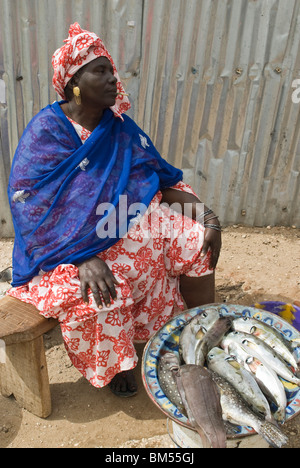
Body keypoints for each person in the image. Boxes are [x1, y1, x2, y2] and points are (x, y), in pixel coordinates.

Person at [7, 23, 221, 397]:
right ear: (73, 82)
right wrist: (80, 258)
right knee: (103, 289)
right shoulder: (47, 133)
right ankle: (116, 364)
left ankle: (196, 330)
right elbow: (30, 209)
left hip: (127, 225)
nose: (112, 79)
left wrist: (207, 218)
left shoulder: (119, 127)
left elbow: (160, 177)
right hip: (61, 252)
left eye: (111, 70)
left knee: (195, 241)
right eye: (99, 71)